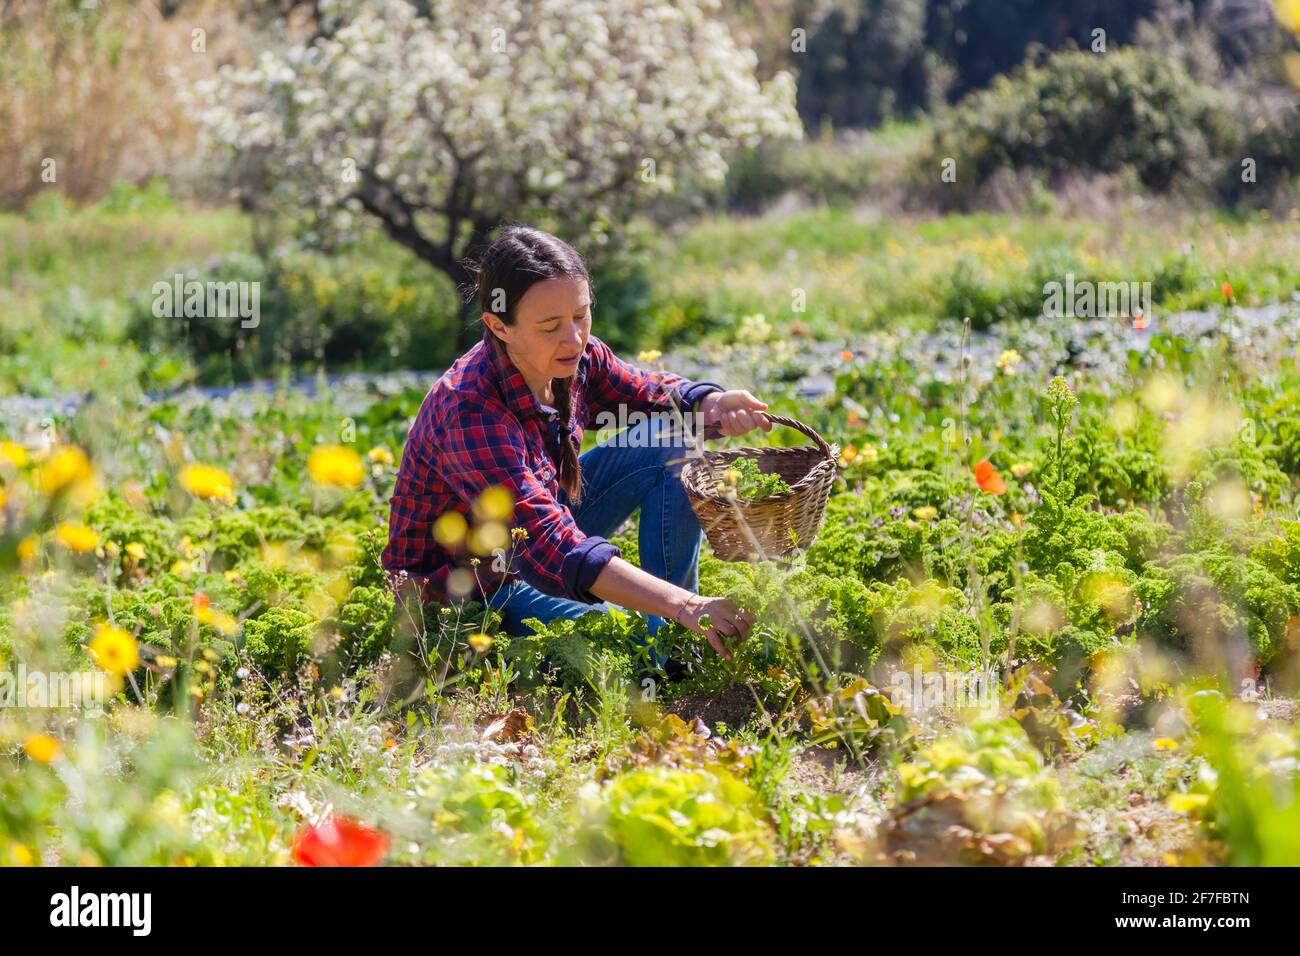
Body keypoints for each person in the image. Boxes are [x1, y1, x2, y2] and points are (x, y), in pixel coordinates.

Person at [382, 225, 772, 668]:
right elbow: (550, 544)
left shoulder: (572, 356)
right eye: (550, 326)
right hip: (476, 581)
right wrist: (684, 605)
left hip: (535, 532)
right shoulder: (470, 411)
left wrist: (713, 402)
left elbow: (648, 393)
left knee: (674, 437)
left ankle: (669, 642)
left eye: (581, 316)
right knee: (615, 628)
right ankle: (670, 627)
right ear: (498, 326)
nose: (574, 338)